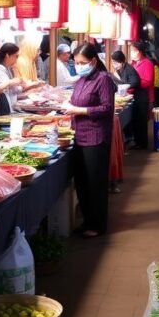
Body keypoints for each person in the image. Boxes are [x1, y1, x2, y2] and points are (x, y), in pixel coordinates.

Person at [63, 43, 117, 238]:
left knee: (95, 183)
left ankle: (97, 225)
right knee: (82, 182)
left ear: (93, 61)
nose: (78, 66)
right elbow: (75, 100)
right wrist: (68, 106)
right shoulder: (81, 80)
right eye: (76, 63)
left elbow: (106, 108)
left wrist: (80, 110)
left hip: (96, 137)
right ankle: (87, 221)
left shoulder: (103, 79)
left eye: (82, 62)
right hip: (79, 136)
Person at [0, 43, 42, 115]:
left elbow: (14, 90)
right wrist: (14, 82)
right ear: (7, 55)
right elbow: (2, 90)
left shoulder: (7, 69)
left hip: (11, 109)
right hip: (3, 111)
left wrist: (29, 86)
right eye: (16, 56)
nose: (17, 59)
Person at [128, 42, 155, 149]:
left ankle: (142, 143)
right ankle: (137, 141)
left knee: (142, 119)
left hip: (143, 94)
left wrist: (133, 83)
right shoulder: (133, 63)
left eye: (133, 50)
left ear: (140, 51)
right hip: (135, 93)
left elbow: (148, 81)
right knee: (136, 119)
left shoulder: (147, 63)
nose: (132, 53)